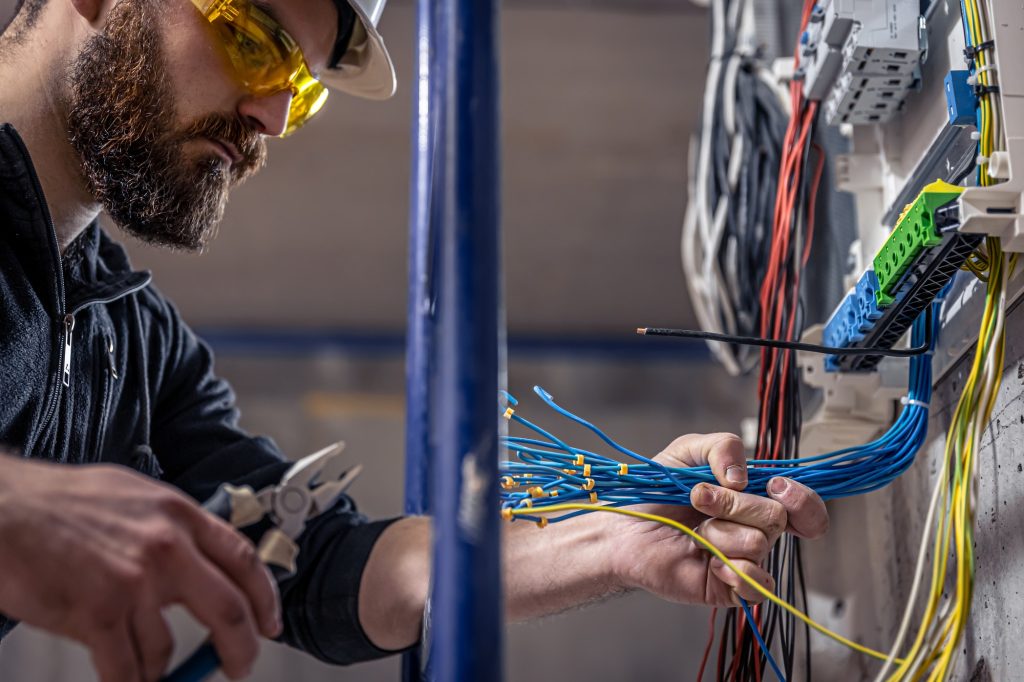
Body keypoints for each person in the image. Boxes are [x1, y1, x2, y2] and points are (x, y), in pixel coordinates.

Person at [0, 0, 830, 680]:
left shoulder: (127, 342)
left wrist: (611, 534)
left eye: (301, 85)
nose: (273, 117)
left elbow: (322, 569)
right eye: (251, 40)